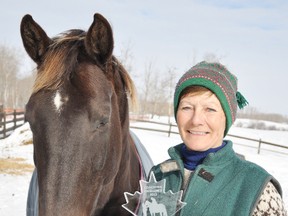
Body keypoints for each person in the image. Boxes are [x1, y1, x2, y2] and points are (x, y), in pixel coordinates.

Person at [149, 61, 287, 215]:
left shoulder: (257, 189)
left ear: (227, 118)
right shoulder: (159, 175)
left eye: (210, 109)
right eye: (187, 107)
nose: (196, 120)